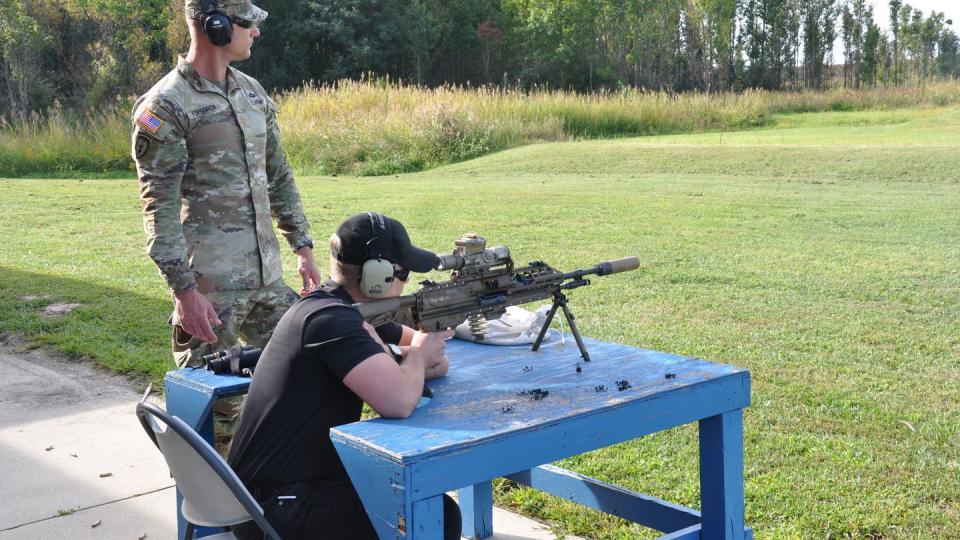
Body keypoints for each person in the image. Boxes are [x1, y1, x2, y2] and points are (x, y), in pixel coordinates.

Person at [131, 0, 320, 456]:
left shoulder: (253, 92)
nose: (256, 31)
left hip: (267, 279)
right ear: (214, 25)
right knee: (214, 415)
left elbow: (279, 176)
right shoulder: (164, 106)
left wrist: (303, 248)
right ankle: (216, 515)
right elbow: (158, 206)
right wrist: (183, 291)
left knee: (307, 376)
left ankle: (280, 490)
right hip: (210, 292)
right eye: (247, 22)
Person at [228, 213, 461, 540]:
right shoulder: (331, 322)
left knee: (420, 500)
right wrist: (418, 356)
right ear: (376, 276)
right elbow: (398, 401)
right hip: (272, 511)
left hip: (279, 493)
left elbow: (436, 362)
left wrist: (418, 354)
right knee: (436, 513)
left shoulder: (344, 309)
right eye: (403, 272)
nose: (406, 283)